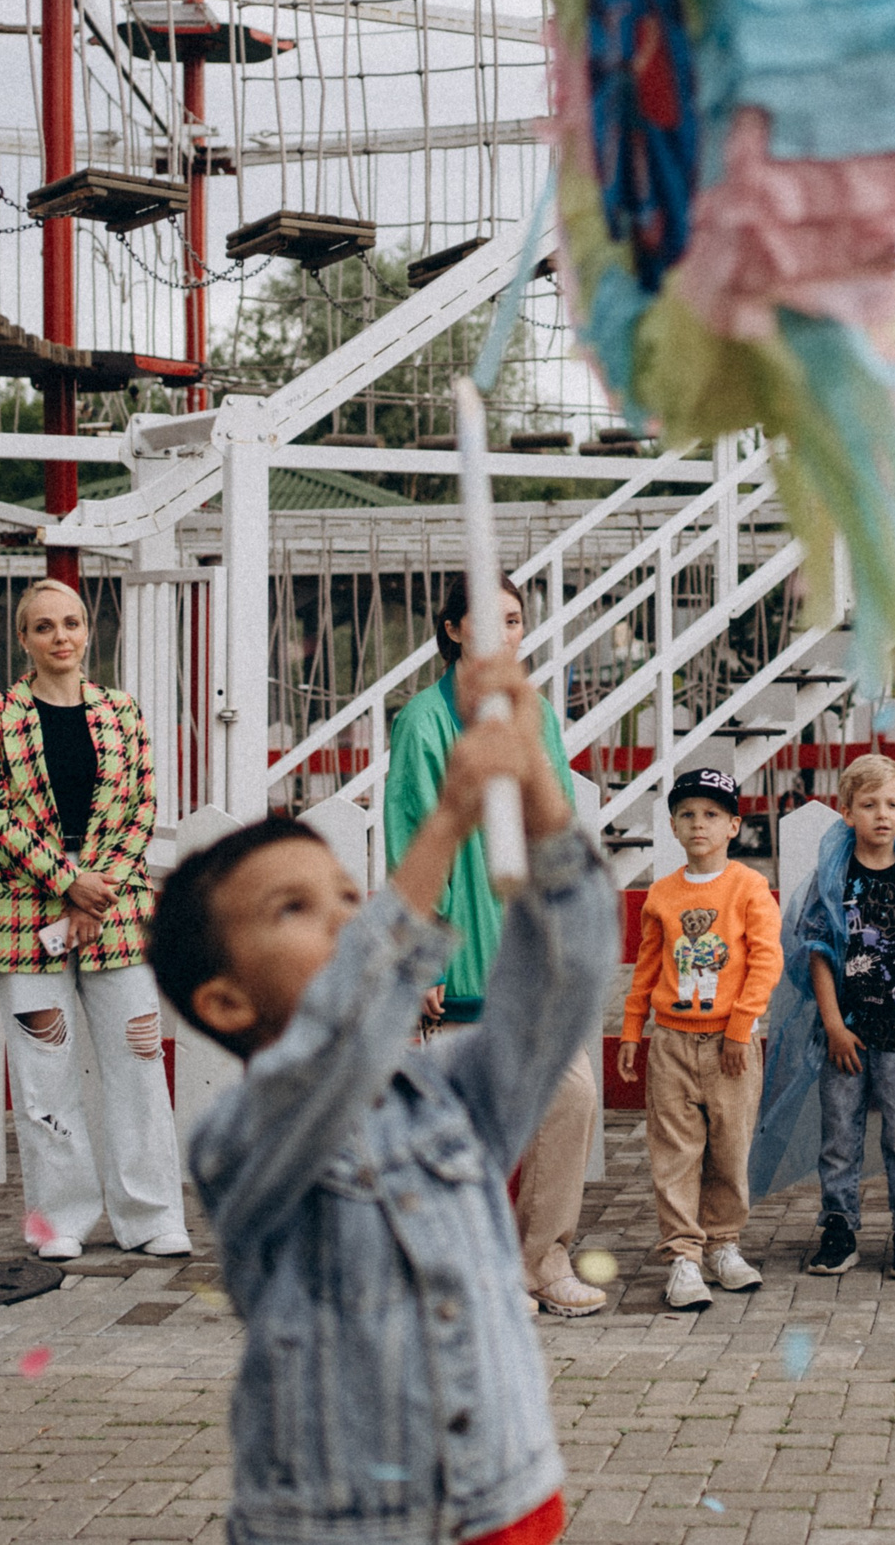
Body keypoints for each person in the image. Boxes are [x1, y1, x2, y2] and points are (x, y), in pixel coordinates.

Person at [152, 652, 608, 1545]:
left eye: (351, 897)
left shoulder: (445, 1099)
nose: (346, 920)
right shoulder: (240, 1142)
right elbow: (335, 1047)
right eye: (294, 907)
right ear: (225, 1003)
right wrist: (443, 823)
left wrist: (539, 786)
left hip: (505, 1499)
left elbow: (563, 977)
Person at [383, 570, 604, 1319]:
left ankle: (543, 1257)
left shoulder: (535, 713)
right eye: (487, 621)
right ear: (452, 631)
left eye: (514, 620)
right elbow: (418, 831)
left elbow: (560, 818)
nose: (504, 634)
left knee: (570, 1098)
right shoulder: (422, 722)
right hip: (461, 951)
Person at [0, 578, 188, 1263]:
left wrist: (99, 886)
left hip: (113, 912)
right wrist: (66, 880)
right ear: (24, 640)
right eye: (44, 627)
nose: (61, 636)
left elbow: (142, 808)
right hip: (25, 914)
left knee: (138, 1062)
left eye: (72, 623)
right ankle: (60, 1218)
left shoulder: (122, 712)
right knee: (43, 1072)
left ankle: (150, 1214)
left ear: (89, 632)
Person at [759, 753, 895, 1280]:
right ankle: (839, 1226)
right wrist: (832, 1024)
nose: (882, 815)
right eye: (868, 805)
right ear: (846, 813)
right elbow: (818, 953)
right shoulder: (833, 880)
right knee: (839, 1133)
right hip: (844, 1034)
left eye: (892, 804)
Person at [618, 767, 783, 1311]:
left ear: (734, 825)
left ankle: (724, 1245)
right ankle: (683, 1256)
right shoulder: (663, 895)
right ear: (671, 825)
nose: (699, 824)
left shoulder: (748, 887)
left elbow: (766, 961)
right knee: (675, 1152)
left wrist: (740, 1029)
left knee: (730, 1151)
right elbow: (646, 967)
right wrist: (631, 1028)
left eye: (712, 814)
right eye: (687, 814)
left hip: (729, 1047)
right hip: (671, 1044)